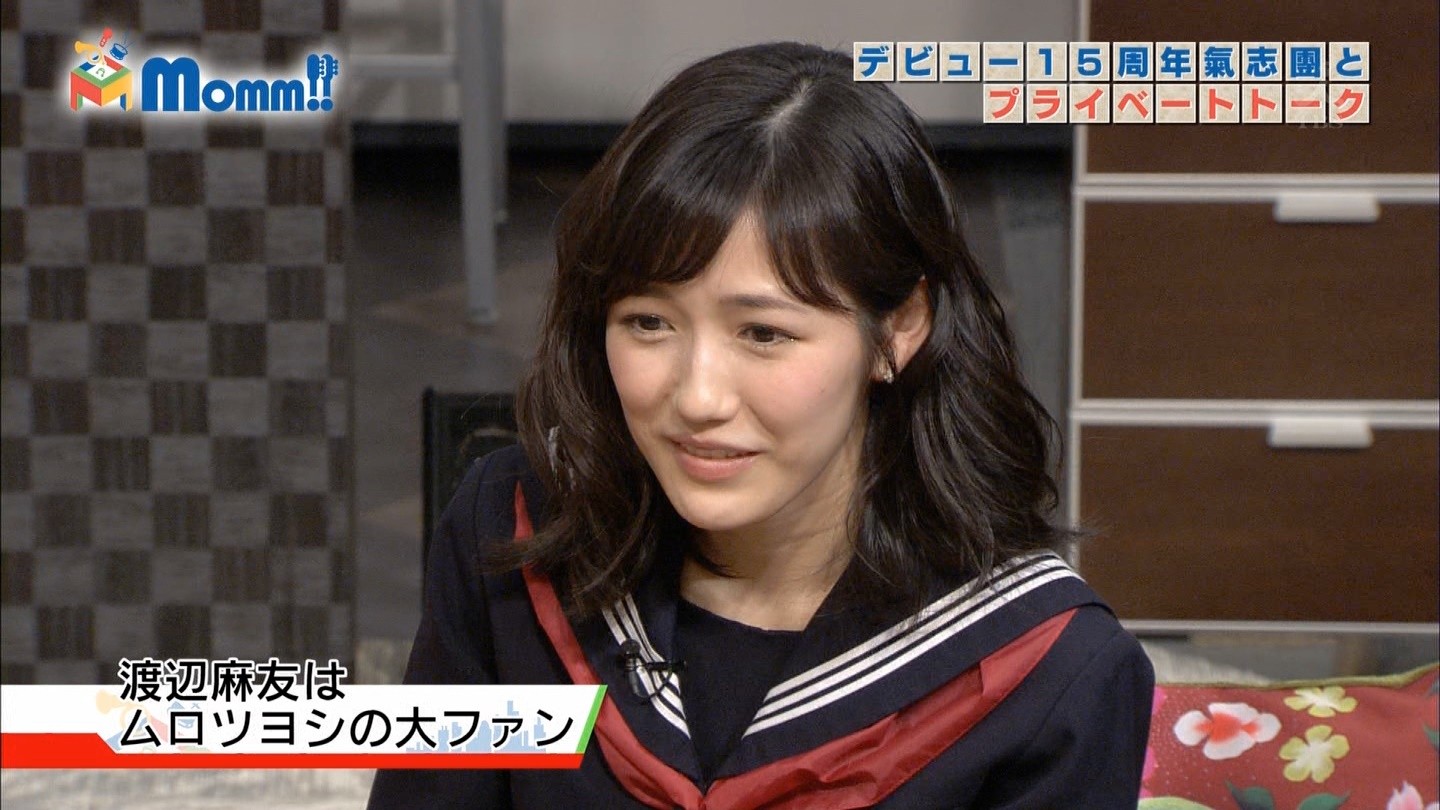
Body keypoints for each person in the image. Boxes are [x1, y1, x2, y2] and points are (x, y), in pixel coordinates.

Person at [368, 41, 1153, 809]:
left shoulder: (1043, 672)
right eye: (648, 322)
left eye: (764, 333)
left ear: (898, 328)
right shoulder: (511, 540)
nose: (698, 396)